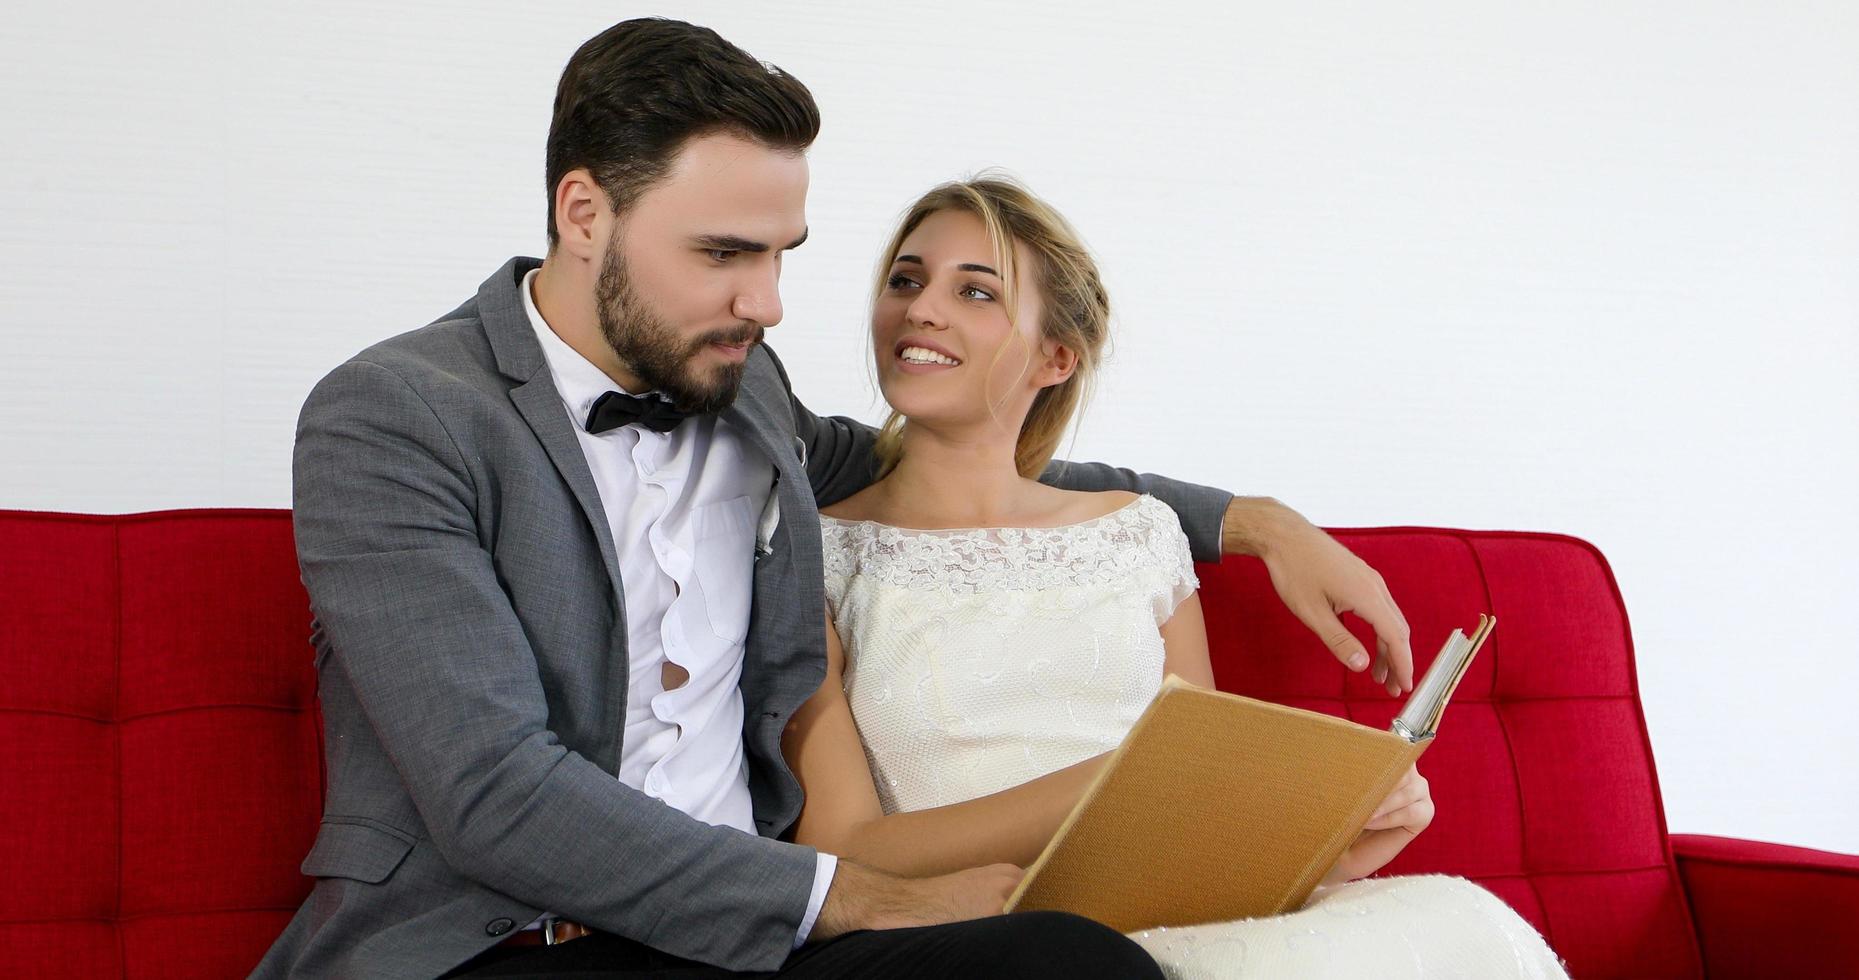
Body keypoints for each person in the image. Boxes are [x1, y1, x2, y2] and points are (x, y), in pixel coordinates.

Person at [258, 17, 1419, 980]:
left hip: (756, 946)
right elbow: (493, 793)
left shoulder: (736, 384)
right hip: (512, 938)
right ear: (582, 214)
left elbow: (957, 467)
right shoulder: (393, 415)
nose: (766, 302)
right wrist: (847, 891)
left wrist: (1247, 521)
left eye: (783, 254)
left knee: (1069, 963)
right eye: (724, 253)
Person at [782, 176, 1569, 978]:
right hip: (978, 937)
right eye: (905, 280)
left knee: (1454, 921)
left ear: (1056, 357)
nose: (920, 308)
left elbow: (1203, 828)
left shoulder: (1139, 535)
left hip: (1155, 921)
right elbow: (842, 852)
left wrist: (1332, 845)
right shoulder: (813, 556)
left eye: (975, 291)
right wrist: (1117, 783)